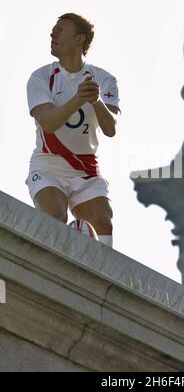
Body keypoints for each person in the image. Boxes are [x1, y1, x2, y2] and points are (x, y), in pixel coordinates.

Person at [26, 13, 121, 249]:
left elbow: (110, 130)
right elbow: (48, 123)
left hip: (86, 169)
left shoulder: (104, 79)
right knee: (55, 218)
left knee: (104, 223)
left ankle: (100, 282)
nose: (53, 33)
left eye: (60, 29)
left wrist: (96, 101)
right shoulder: (40, 77)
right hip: (48, 164)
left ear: (79, 39)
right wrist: (79, 98)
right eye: (53, 29)